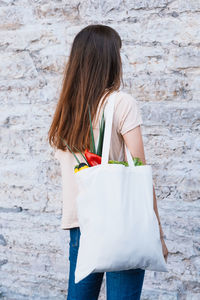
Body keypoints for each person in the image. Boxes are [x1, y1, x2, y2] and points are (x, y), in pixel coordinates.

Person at [48, 24, 168, 300]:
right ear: (109, 59)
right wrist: (157, 232)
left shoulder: (68, 109)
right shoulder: (121, 103)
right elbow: (140, 171)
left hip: (81, 225)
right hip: (121, 221)